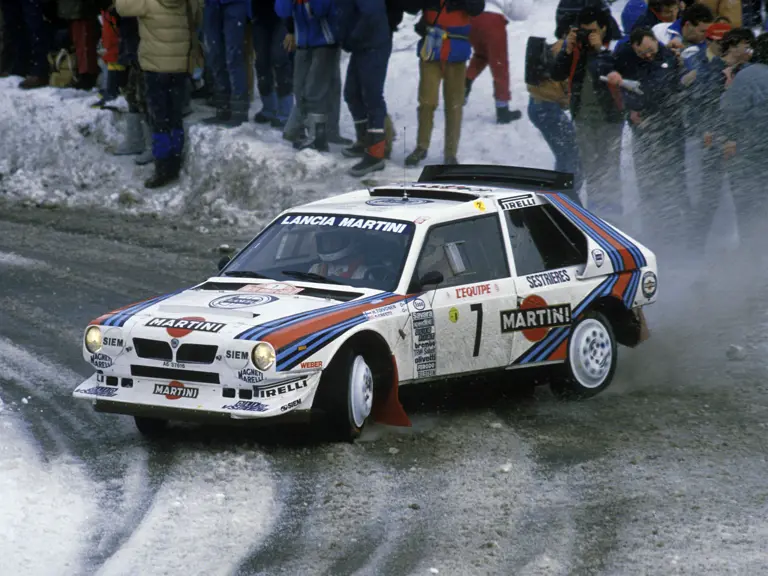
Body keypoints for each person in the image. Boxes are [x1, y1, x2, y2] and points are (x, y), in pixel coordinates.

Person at [608, 28, 688, 250]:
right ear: (633, 48)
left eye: (651, 50)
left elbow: (660, 88)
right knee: (648, 182)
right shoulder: (624, 56)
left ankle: (677, 235)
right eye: (642, 53)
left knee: (672, 182)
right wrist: (630, 109)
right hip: (643, 132)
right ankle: (654, 234)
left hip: (669, 129)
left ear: (655, 41)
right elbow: (617, 81)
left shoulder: (668, 58)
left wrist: (637, 102)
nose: (648, 56)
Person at [115, 0, 203, 188]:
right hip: (179, 66)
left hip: (155, 68)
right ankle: (175, 161)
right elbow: (196, 18)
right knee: (175, 116)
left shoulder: (147, 2)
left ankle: (162, 166)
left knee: (159, 119)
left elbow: (122, 7)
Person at [551, 7, 622, 218]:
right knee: (592, 172)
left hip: (610, 121)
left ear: (603, 28)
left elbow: (613, 72)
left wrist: (599, 50)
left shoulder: (615, 48)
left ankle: (613, 220)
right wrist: (567, 49)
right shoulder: (578, 50)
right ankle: (597, 219)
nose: (587, 35)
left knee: (609, 172)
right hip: (583, 119)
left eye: (591, 31)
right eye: (583, 31)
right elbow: (556, 73)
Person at [404, 0, 486, 167]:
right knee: (427, 102)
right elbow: (410, 7)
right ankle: (421, 146)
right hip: (431, 49)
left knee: (454, 105)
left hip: (456, 50)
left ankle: (450, 153)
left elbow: (477, 8)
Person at [683, 21, 730, 249]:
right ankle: (696, 241)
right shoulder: (694, 61)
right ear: (709, 41)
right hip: (700, 137)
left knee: (718, 192)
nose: (724, 46)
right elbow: (693, 100)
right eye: (720, 42)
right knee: (702, 192)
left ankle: (718, 239)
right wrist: (704, 129)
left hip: (721, 135)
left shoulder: (729, 63)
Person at [336, 0, 393, 177]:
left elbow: (371, 13)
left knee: (372, 96)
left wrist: (353, 37)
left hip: (374, 44)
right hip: (361, 45)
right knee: (352, 94)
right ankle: (364, 140)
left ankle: (376, 152)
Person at [275, 0, 340, 152]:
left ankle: (318, 138)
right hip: (303, 42)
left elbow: (319, 10)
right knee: (299, 88)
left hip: (325, 41)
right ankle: (304, 129)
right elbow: (282, 11)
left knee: (315, 90)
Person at [526, 35, 583, 196]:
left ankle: (562, 197)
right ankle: (565, 199)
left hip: (540, 106)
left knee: (566, 155)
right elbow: (565, 85)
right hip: (547, 108)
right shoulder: (567, 52)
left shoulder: (562, 46)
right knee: (571, 156)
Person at [463, 0, 524, 124]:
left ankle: (466, 81)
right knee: (500, 65)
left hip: (471, 18)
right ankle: (502, 109)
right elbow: (519, 11)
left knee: (481, 54)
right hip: (492, 20)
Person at [202, 0, 251, 127]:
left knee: (234, 57)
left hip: (235, 4)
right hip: (211, 5)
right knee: (215, 56)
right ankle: (223, 108)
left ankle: (239, 112)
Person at [252, 2, 293, 128]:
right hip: (259, 14)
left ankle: (286, 112)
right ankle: (269, 107)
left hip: (283, 17)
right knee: (261, 61)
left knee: (280, 59)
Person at [57, 0, 101, 90]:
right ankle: (84, 74)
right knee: (81, 41)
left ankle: (86, 75)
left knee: (83, 41)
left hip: (80, 10)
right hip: (77, 9)